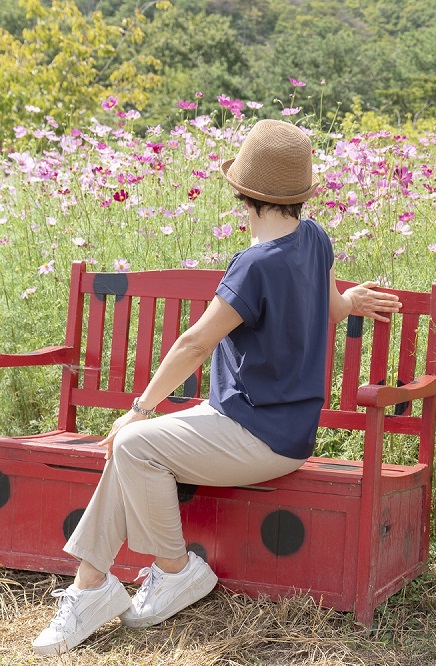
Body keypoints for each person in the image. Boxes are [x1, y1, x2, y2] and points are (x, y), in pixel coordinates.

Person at [32, 119, 401, 655]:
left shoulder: (254, 265)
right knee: (130, 452)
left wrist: (139, 407)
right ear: (297, 196)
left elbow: (194, 345)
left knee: (135, 441)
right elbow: (322, 305)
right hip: (272, 429)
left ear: (244, 197)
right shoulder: (314, 238)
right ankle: (91, 585)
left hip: (255, 435)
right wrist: (350, 302)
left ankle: (176, 570)